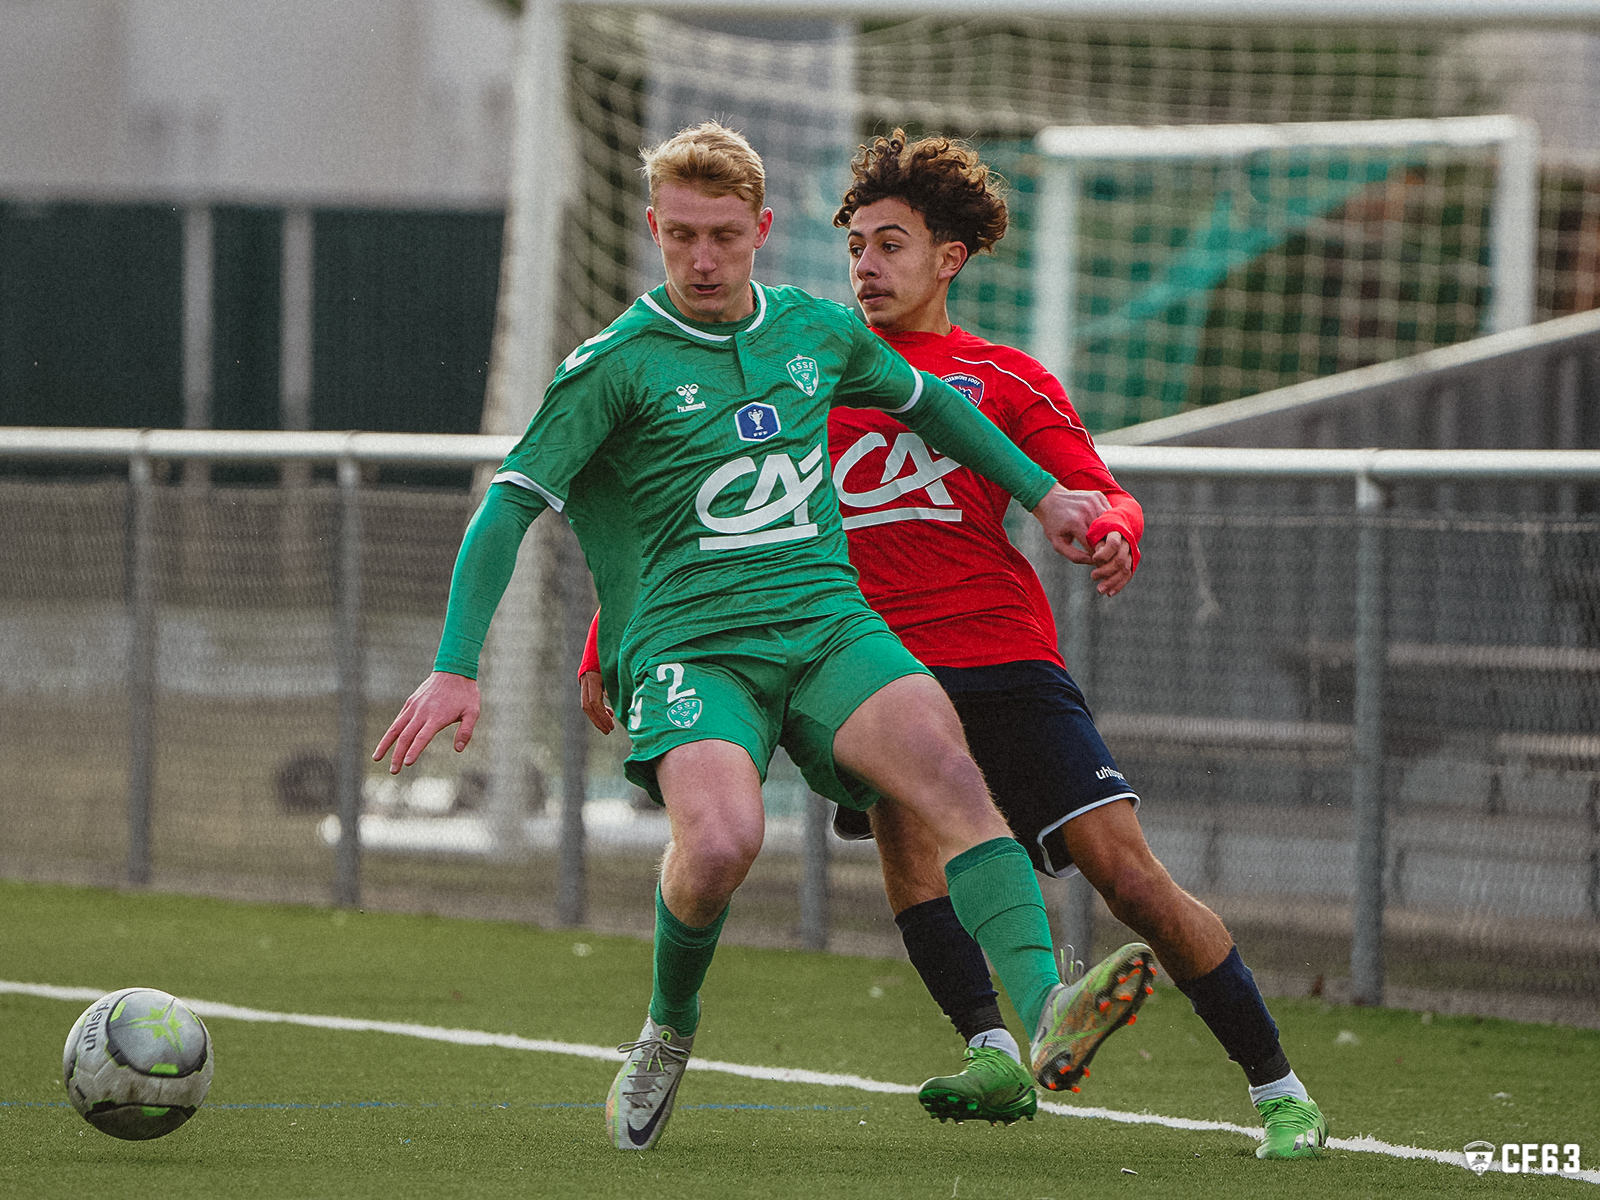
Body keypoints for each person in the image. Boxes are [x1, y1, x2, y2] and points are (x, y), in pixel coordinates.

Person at [375, 121, 1154, 1154]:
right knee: (722, 846)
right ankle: (667, 1027)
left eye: (724, 237)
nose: (702, 259)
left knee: (951, 778)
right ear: (654, 228)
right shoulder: (612, 366)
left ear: (762, 231)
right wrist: (454, 668)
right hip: (695, 651)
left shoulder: (813, 331)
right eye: (682, 236)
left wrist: (1046, 496)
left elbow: (933, 409)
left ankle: (1047, 1006)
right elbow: (509, 506)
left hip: (831, 628)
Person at [584, 128, 1328, 1160]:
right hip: (865, 664)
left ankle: (1279, 1089)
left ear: (949, 258)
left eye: (890, 244)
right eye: (854, 245)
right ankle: (993, 1049)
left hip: (1004, 657)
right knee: (913, 861)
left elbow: (1089, 488)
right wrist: (608, 636)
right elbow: (687, 518)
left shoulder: (1002, 378)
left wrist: (1113, 527)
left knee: (1128, 877)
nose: (865, 265)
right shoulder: (800, 360)